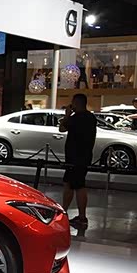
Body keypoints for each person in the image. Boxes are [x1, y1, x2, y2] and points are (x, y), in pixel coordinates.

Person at [59, 93, 97, 229]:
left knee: (76, 185)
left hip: (74, 157)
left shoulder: (75, 118)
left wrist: (67, 115)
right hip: (85, 156)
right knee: (72, 183)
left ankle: (79, 216)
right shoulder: (91, 118)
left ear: (76, 103)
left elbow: (62, 128)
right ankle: (69, 212)